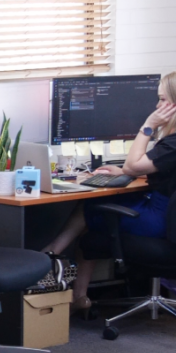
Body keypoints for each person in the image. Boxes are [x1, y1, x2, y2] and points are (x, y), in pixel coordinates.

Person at [44, 71, 176, 311]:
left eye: (163, 100)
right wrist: (128, 173)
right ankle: (76, 292)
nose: (157, 106)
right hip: (167, 217)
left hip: (160, 221)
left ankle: (51, 257)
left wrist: (147, 127)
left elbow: (132, 165)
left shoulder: (173, 142)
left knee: (90, 210)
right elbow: (164, 170)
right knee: (94, 212)